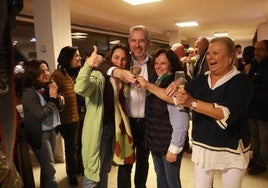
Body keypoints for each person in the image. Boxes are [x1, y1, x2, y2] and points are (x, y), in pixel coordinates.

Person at [175, 37, 252, 188]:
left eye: (215, 53)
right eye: (208, 53)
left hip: (230, 148)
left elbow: (224, 113)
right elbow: (179, 98)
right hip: (203, 145)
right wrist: (148, 86)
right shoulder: (201, 79)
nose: (210, 57)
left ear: (230, 58)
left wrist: (192, 102)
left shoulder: (241, 81)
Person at [75, 43, 135, 188]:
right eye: (116, 57)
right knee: (93, 174)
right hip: (98, 131)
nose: (119, 62)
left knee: (104, 171)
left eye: (124, 59)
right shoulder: (99, 76)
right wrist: (88, 66)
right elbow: (80, 88)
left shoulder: (123, 82)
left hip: (113, 131)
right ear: (109, 58)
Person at [136, 48, 189, 188]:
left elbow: (181, 120)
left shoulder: (177, 83)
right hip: (155, 140)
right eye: (156, 63)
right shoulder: (157, 79)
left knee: (172, 181)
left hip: (169, 142)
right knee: (160, 176)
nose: (158, 66)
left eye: (163, 63)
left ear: (171, 64)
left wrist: (175, 147)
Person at [22, 59, 63, 188]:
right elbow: (40, 115)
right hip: (40, 134)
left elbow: (55, 109)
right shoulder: (28, 92)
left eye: (46, 69)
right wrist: (52, 98)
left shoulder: (46, 87)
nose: (46, 73)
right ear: (33, 74)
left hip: (51, 130)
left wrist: (59, 99)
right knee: (50, 168)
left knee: (47, 168)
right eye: (41, 71)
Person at [50, 46, 81, 186]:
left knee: (80, 144)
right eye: (77, 56)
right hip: (67, 118)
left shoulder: (79, 72)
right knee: (71, 147)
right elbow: (52, 95)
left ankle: (80, 168)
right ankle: (72, 174)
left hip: (81, 115)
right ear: (68, 59)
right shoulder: (57, 75)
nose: (80, 58)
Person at [247, 40, 268, 175]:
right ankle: (255, 158)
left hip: (265, 110)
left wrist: (252, 85)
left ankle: (261, 163)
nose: (257, 52)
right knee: (254, 137)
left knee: (264, 139)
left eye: (260, 49)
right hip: (252, 108)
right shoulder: (254, 65)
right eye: (255, 49)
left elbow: (263, 88)